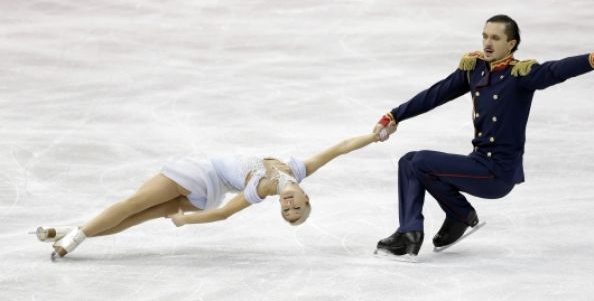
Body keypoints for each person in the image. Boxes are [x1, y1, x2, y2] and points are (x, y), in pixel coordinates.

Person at [373, 14, 594, 258]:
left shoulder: (521, 75)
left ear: (511, 44)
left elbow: (556, 70)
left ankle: (417, 232)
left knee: (419, 162)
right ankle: (453, 216)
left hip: (497, 173)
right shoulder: (475, 69)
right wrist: (395, 116)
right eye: (485, 36)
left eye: (495, 38)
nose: (487, 42)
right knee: (409, 162)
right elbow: (436, 94)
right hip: (478, 162)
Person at [38, 132, 385, 260]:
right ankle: (69, 229)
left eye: (287, 213)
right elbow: (340, 148)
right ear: (307, 200)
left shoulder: (262, 188)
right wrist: (375, 136)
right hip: (209, 192)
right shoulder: (298, 168)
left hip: (199, 175)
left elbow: (223, 216)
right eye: (295, 209)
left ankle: (75, 239)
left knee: (132, 205)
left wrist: (184, 219)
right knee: (135, 217)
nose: (289, 207)